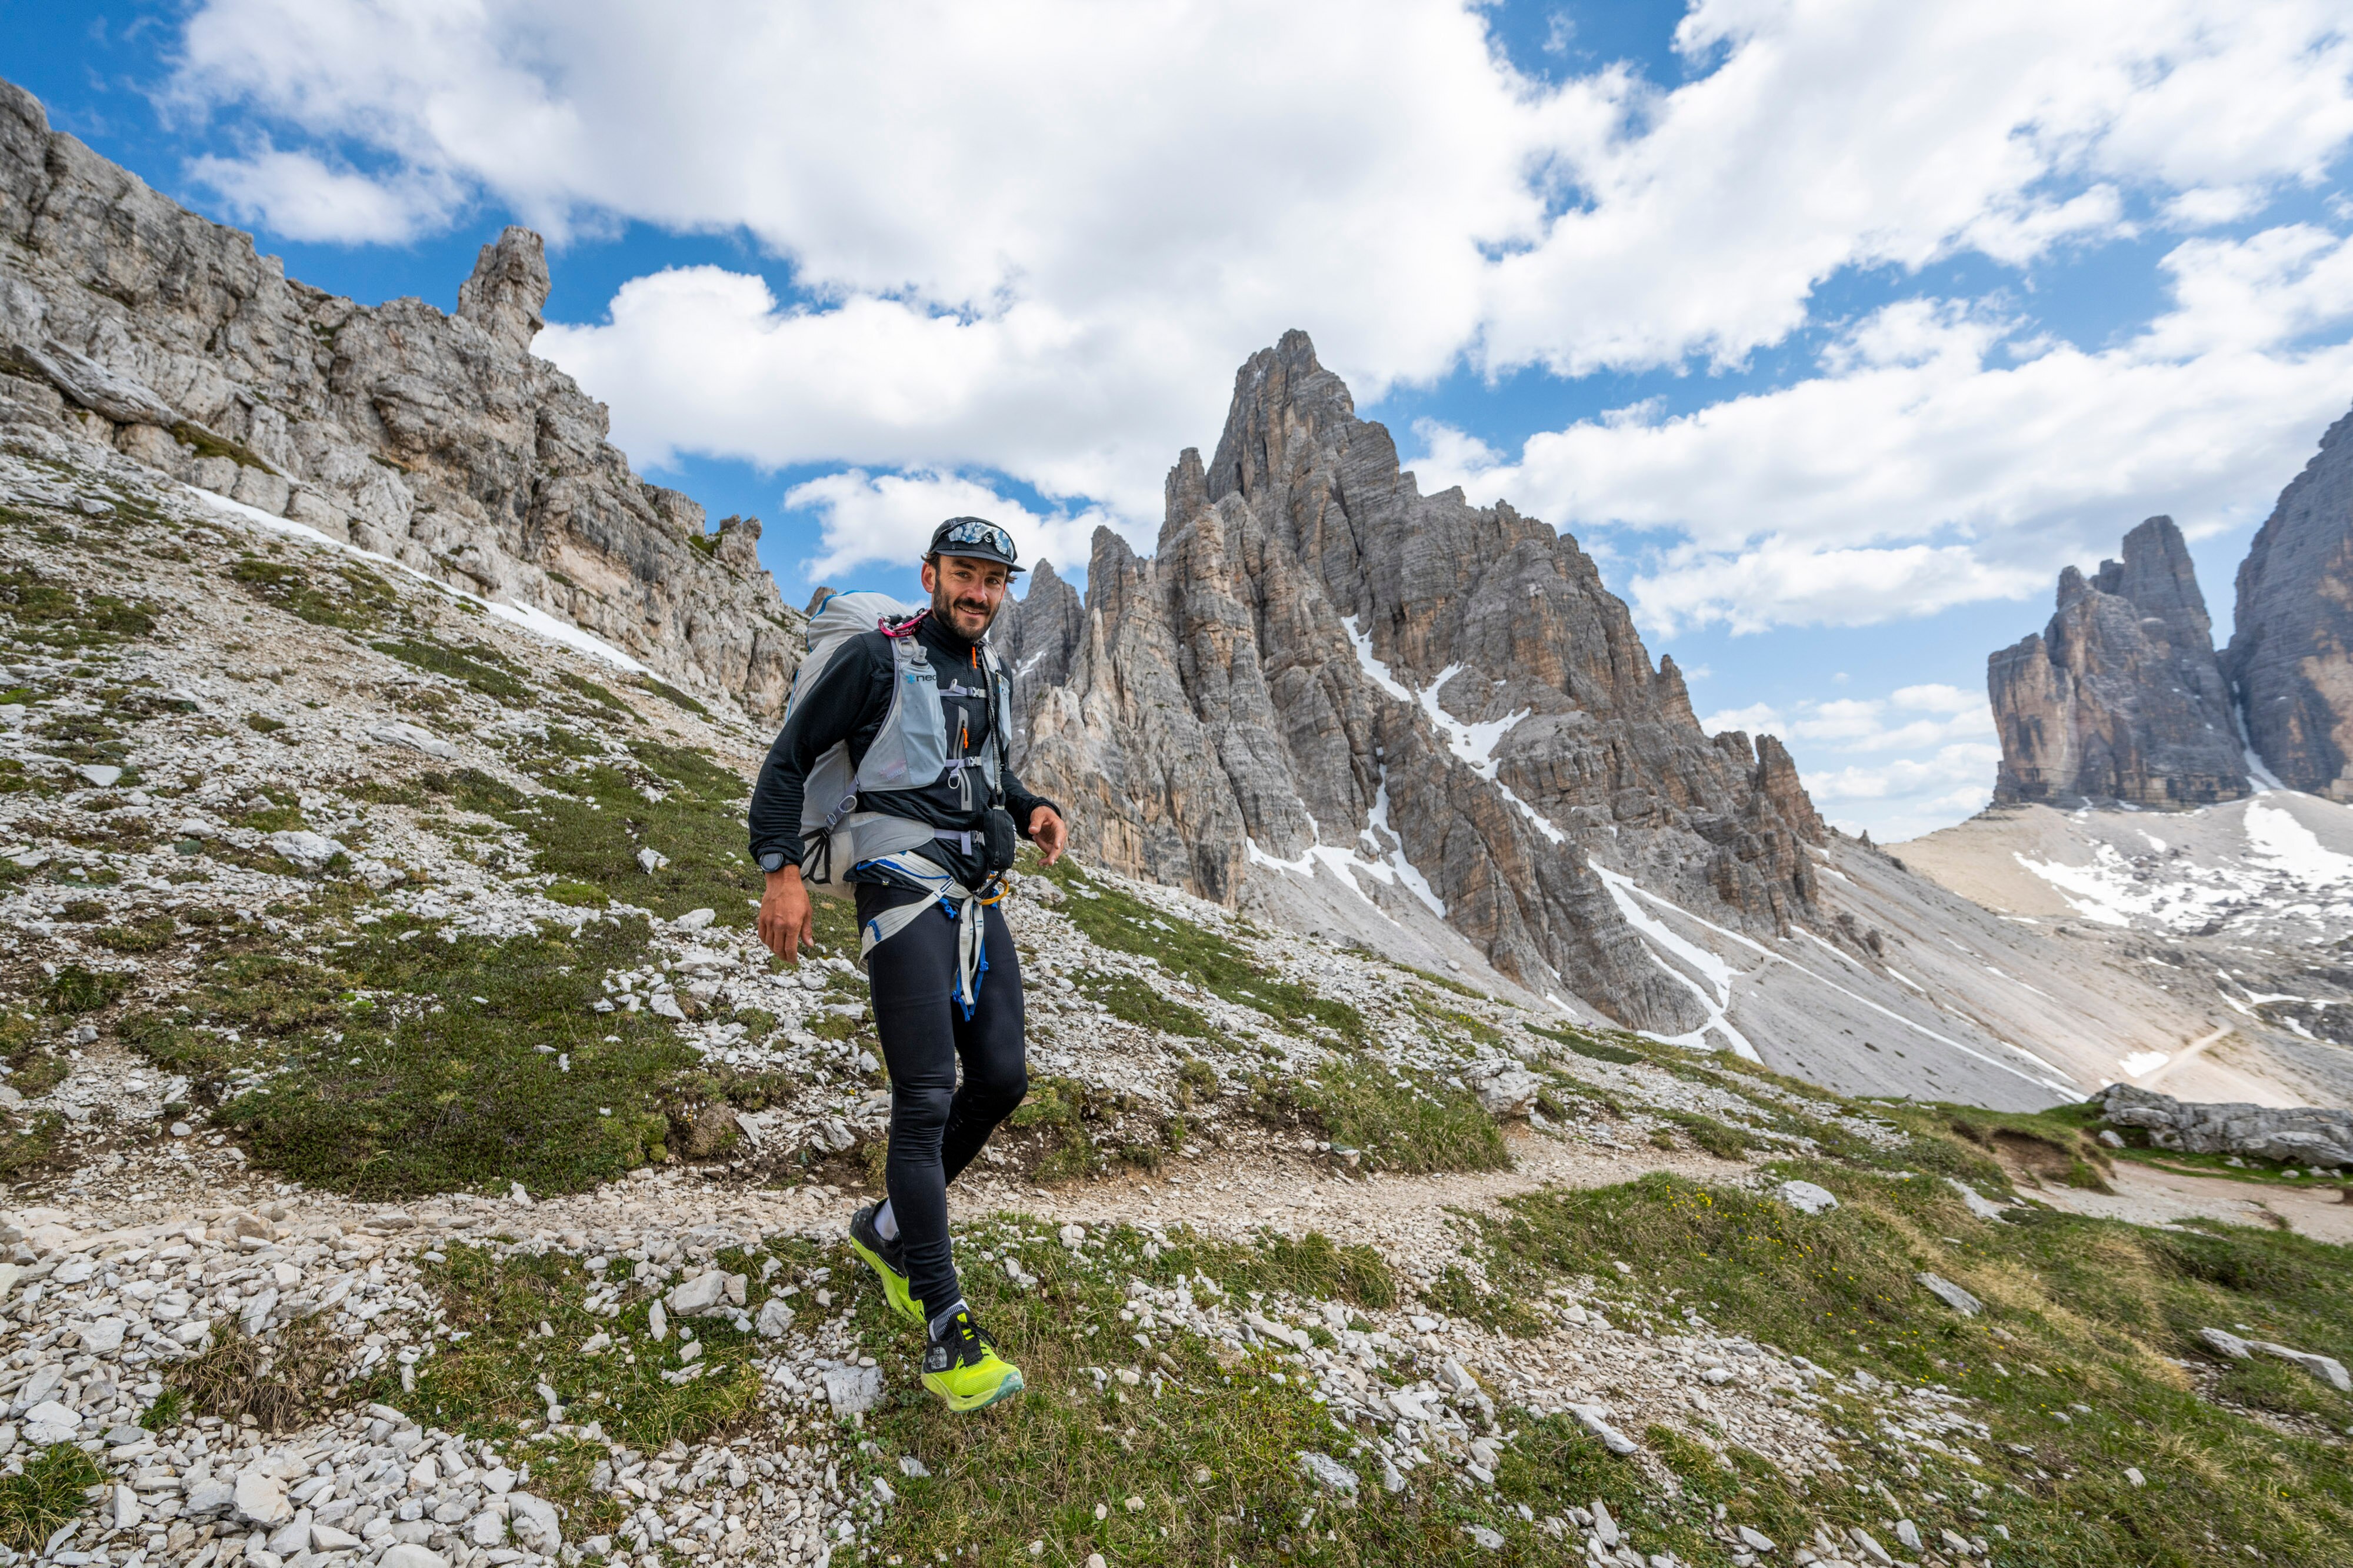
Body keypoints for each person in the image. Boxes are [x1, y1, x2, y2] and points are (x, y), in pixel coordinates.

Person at [747, 516, 1067, 1412]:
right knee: (925, 1096)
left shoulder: (994, 674)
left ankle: (886, 1231)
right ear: (930, 575)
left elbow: (986, 774)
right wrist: (782, 873)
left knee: (1002, 1079)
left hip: (977, 891)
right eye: (965, 574)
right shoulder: (879, 661)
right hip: (900, 887)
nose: (980, 592)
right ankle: (945, 1326)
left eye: (995, 580)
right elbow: (789, 759)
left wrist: (1032, 805)